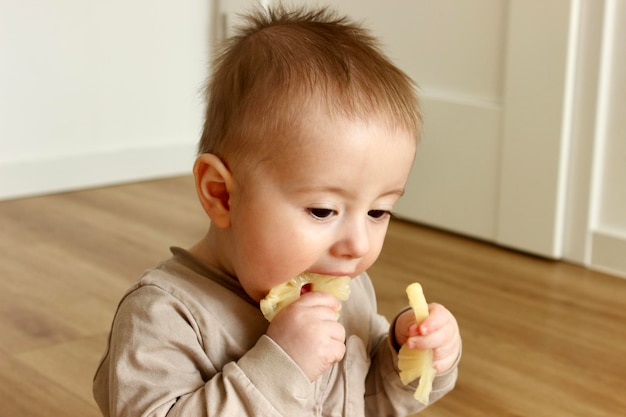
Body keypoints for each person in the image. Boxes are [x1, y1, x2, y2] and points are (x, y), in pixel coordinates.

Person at [93, 5, 461, 417]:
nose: (358, 244)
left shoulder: (349, 293)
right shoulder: (165, 316)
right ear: (222, 195)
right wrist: (281, 366)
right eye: (323, 211)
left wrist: (405, 355)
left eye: (378, 212)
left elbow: (369, 401)